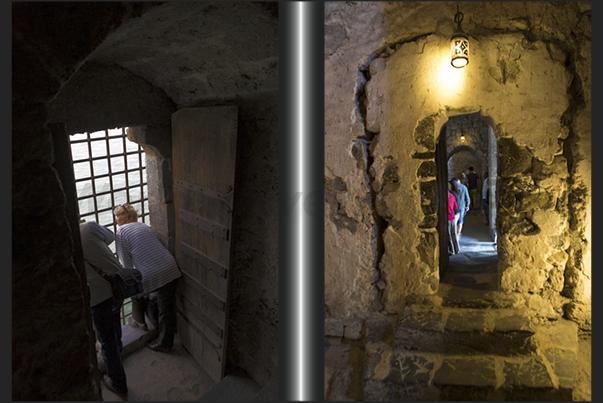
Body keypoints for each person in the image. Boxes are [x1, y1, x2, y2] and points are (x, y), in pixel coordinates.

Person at [114, 204, 182, 353]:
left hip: (153, 274)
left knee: (136, 292)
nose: (116, 219)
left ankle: (140, 322)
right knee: (167, 307)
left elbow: (126, 264)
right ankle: (165, 340)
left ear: (126, 217)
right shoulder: (143, 225)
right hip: (170, 267)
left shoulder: (121, 232)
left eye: (118, 216)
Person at [79, 220, 128, 400]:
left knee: (106, 341)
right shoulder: (88, 226)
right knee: (115, 319)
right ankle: (119, 354)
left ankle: (118, 384)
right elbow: (109, 237)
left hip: (97, 296)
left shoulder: (62, 239)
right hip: (117, 285)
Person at [447, 181, 460, 255]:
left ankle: (451, 250)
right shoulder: (452, 196)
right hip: (453, 217)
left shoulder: (444, 198)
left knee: (449, 235)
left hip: (448, 218)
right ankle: (456, 249)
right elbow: (455, 207)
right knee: (454, 234)